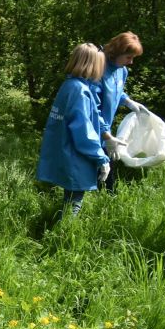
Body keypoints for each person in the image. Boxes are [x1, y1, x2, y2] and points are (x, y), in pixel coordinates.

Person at [36, 42, 111, 221]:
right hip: (75, 155)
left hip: (64, 151)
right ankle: (62, 238)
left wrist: (107, 134)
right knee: (74, 202)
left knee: (69, 199)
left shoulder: (69, 85)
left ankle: (59, 232)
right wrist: (102, 158)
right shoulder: (80, 91)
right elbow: (84, 131)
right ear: (93, 65)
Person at [96, 32, 149, 192]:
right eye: (128, 57)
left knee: (108, 167)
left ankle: (106, 201)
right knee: (92, 167)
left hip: (106, 127)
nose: (131, 62)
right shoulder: (98, 69)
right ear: (117, 52)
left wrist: (128, 101)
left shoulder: (122, 70)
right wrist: (104, 133)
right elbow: (90, 107)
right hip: (92, 126)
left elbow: (117, 92)